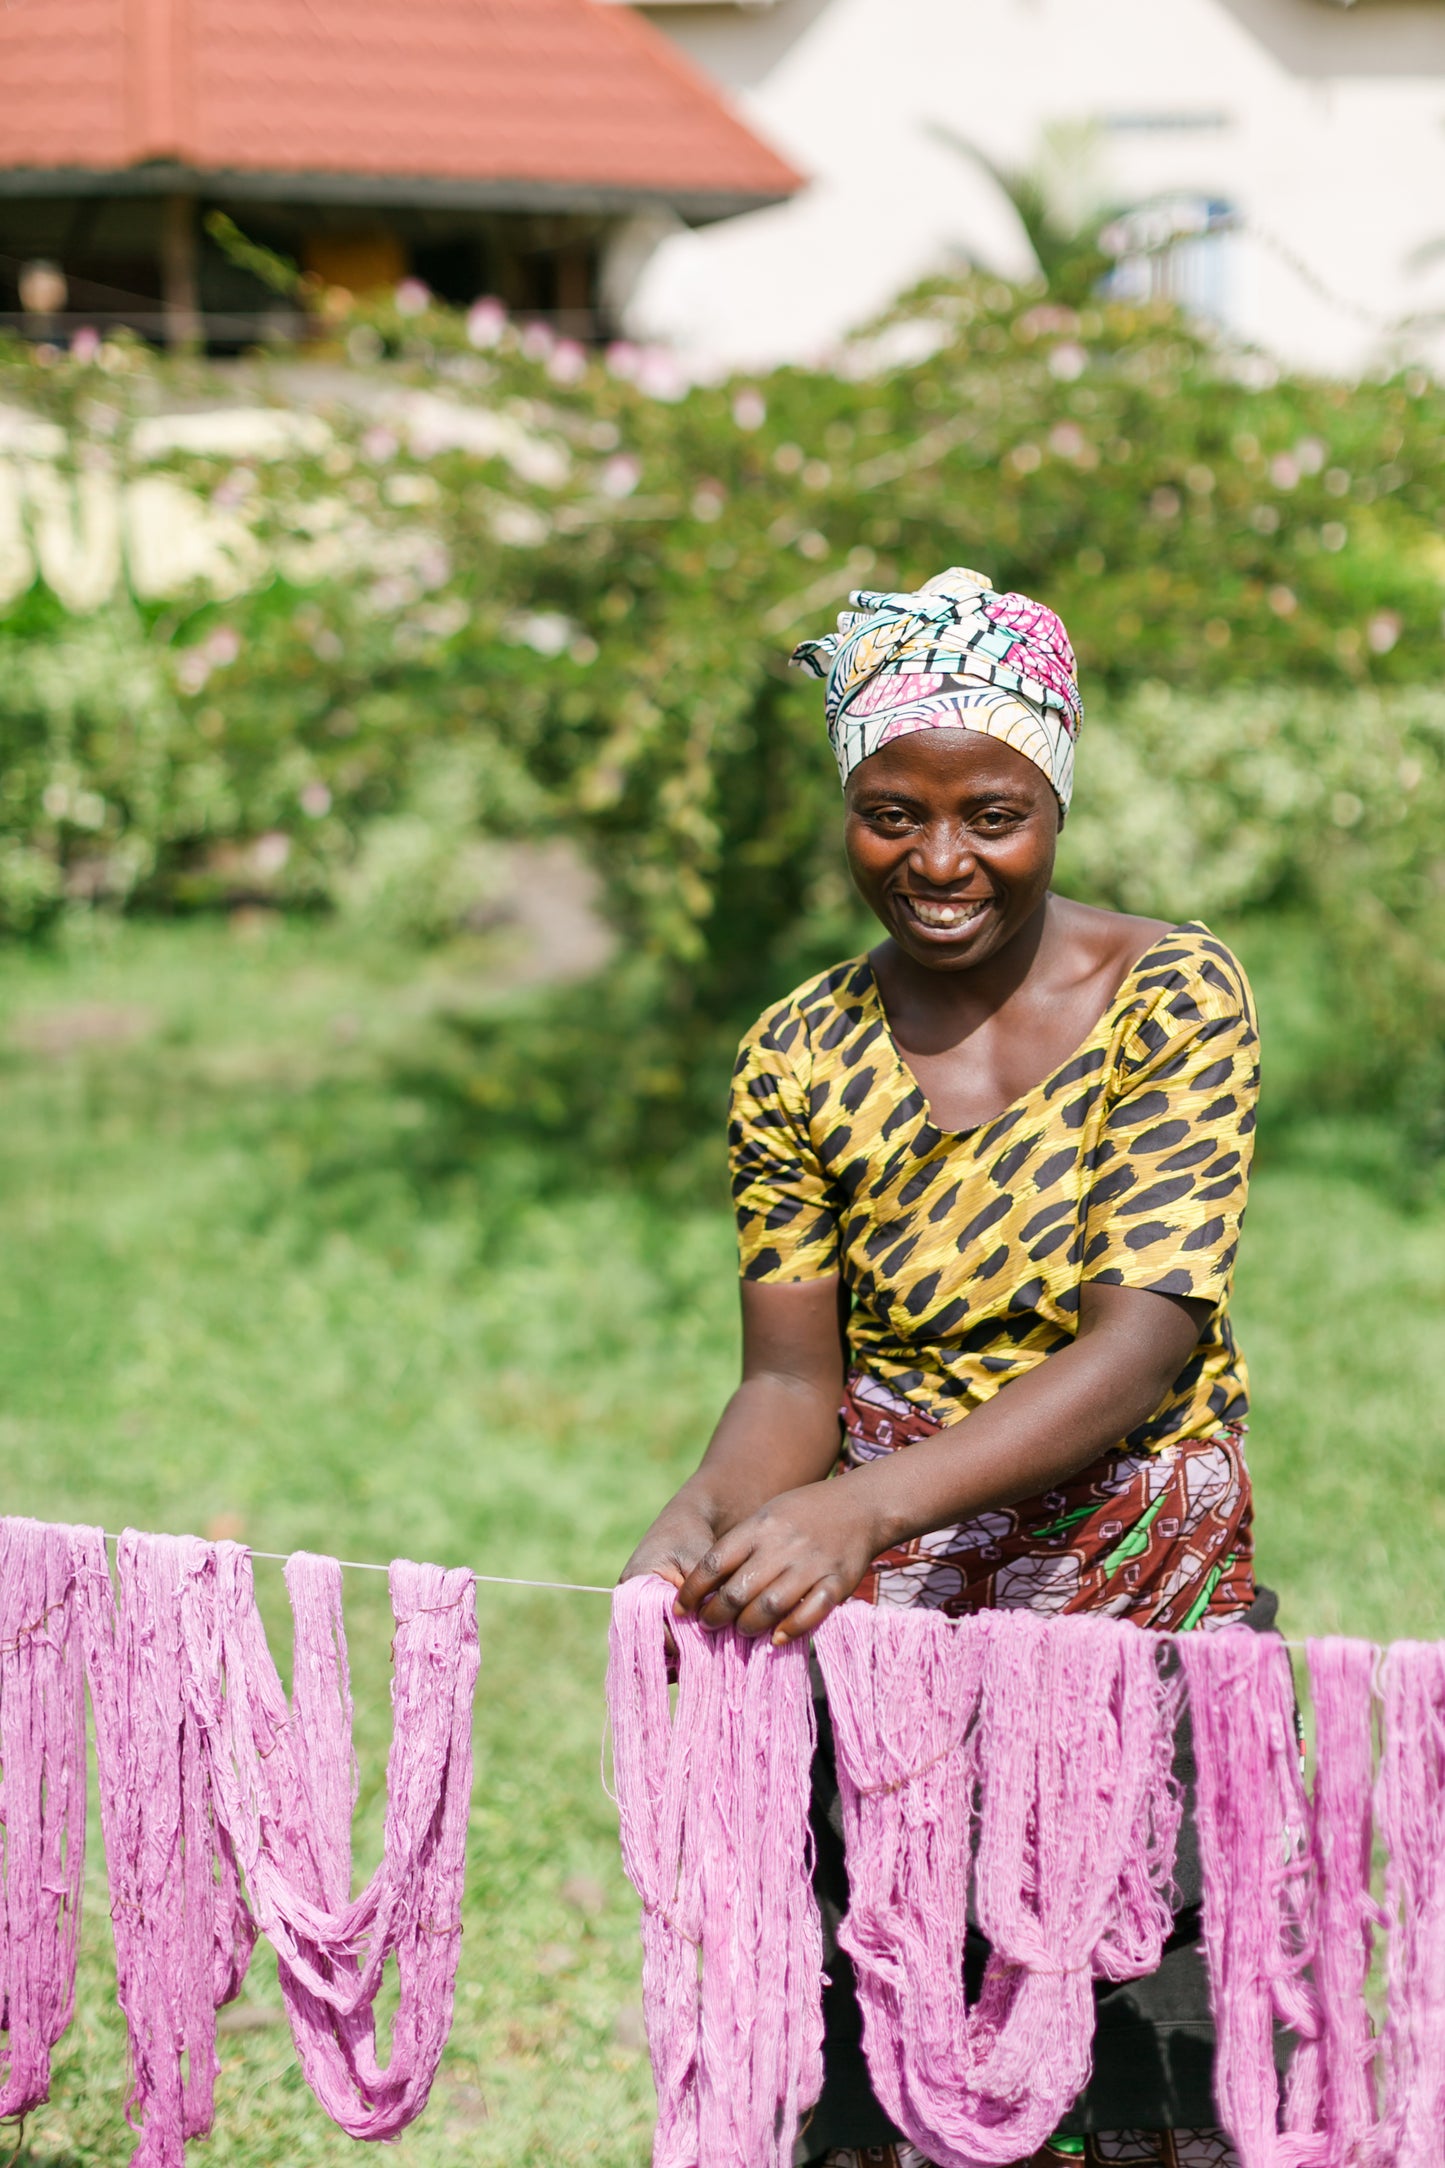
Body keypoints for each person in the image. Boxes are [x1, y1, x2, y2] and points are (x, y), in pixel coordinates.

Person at [621, 567, 1266, 2168]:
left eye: (993, 811)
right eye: (888, 812)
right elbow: (786, 1387)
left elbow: (1141, 1344)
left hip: (1132, 1563)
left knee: (1149, 2024)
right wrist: (695, 1536)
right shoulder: (796, 1052)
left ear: (1055, 795)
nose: (939, 859)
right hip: (895, 1607)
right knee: (880, 1993)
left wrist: (863, 1515)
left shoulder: (1167, 997)